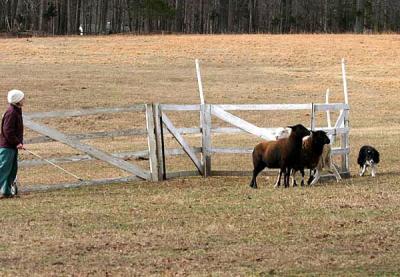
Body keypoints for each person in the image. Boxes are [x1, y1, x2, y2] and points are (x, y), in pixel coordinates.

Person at [0, 89, 25, 198]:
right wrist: (17, 143)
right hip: (7, 147)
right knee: (3, 169)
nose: (24, 100)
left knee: (11, 170)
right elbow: (7, 131)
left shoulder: (17, 111)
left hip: (12, 146)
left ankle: (6, 192)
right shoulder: (11, 112)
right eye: (22, 98)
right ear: (17, 100)